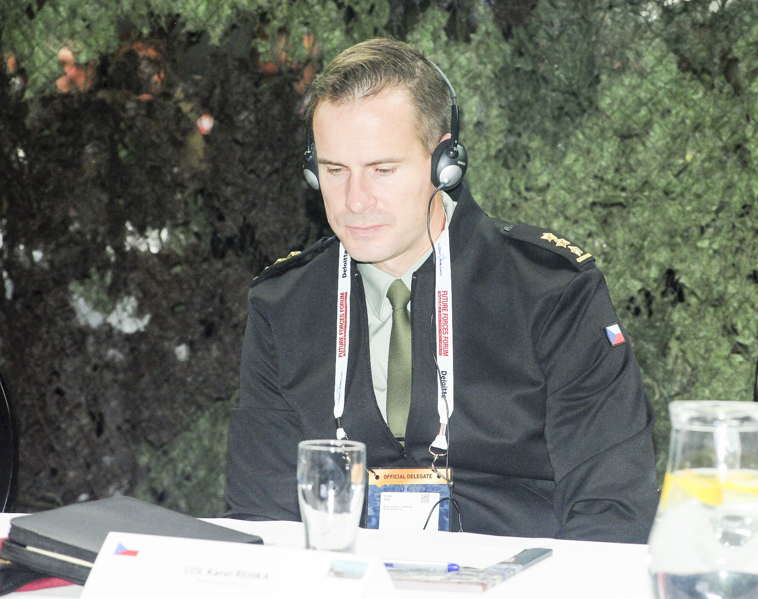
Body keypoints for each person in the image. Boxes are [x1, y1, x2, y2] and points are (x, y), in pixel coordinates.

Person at [225, 38, 658, 542]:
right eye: (334, 171)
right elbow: (261, 516)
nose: (354, 201)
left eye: (382, 170)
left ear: (444, 164)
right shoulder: (284, 306)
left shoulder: (550, 293)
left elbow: (613, 512)